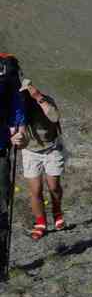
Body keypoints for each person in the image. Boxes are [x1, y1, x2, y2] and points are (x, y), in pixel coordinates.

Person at [20, 78, 66, 241]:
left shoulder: (45, 100)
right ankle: (40, 223)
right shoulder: (19, 107)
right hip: (31, 152)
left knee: (53, 186)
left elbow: (54, 117)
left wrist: (39, 97)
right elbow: (20, 136)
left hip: (52, 148)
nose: (26, 96)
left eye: (27, 92)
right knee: (36, 190)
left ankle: (57, 211)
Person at [0, 54, 28, 279]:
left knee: (1, 205)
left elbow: (16, 106)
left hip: (1, 147)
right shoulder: (7, 72)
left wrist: (19, 129)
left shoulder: (6, 72)